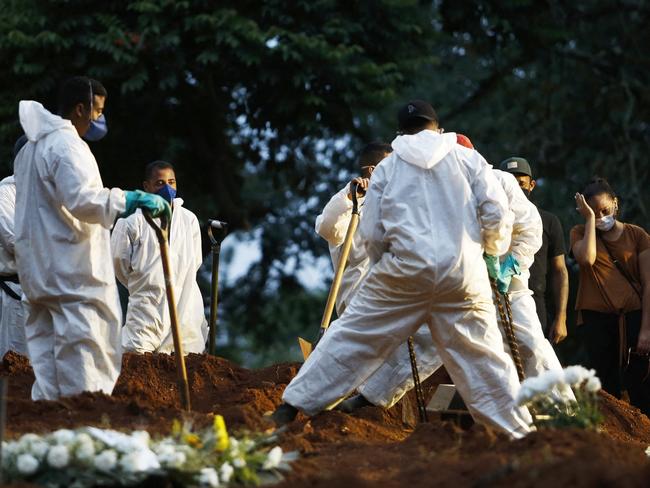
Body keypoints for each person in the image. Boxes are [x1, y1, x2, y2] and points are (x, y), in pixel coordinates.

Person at [272, 100, 532, 438]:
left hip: (404, 271)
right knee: (485, 357)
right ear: (438, 128)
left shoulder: (386, 169)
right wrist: (491, 251)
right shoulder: (468, 158)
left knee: (352, 335)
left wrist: (388, 266)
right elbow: (497, 214)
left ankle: (288, 408)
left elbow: (372, 234)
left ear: (400, 133)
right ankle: (521, 435)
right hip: (464, 272)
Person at [343, 164, 573, 411]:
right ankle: (372, 398)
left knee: (532, 345)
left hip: (508, 285)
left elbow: (530, 228)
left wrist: (508, 265)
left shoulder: (501, 182)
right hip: (459, 284)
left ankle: (565, 410)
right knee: (425, 338)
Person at [13, 76, 170, 400]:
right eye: (97, 111)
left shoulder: (29, 149)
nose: (99, 119)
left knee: (47, 357)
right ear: (80, 109)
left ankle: (49, 424)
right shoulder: (67, 145)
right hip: (69, 270)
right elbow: (83, 200)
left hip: (38, 270)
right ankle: (84, 424)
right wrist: (131, 200)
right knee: (83, 350)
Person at [111, 160, 208, 354]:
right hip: (146, 306)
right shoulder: (131, 221)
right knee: (137, 358)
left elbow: (194, 261)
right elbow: (118, 263)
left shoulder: (188, 220)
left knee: (187, 358)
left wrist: (175, 282)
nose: (167, 188)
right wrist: (143, 282)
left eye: (171, 182)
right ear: (146, 187)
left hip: (184, 305)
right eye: (160, 183)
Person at [572, 177, 650, 415]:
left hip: (634, 319)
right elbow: (587, 259)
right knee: (605, 389)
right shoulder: (579, 232)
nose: (601, 217)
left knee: (641, 386)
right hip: (597, 321)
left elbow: (649, 284)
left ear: (616, 204)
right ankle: (612, 446)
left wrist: (646, 329)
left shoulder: (637, 235)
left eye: (605, 210)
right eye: (594, 212)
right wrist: (589, 221)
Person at [315, 142, 392, 316]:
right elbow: (327, 228)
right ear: (373, 170)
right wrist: (351, 198)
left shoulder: (399, 202)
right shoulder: (352, 201)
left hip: (393, 302)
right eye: (392, 165)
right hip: (360, 303)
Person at [500, 157, 569, 344]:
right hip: (497, 301)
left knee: (537, 362)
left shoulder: (548, 221)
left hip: (534, 302)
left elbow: (560, 270)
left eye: (520, 183)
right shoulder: (490, 219)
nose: (515, 188)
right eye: (510, 182)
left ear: (531, 185)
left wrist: (561, 317)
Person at [0, 136, 29, 358]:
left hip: (45, 293)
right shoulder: (6, 192)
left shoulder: (48, 193)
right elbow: (14, 241)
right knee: (15, 364)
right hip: (15, 291)